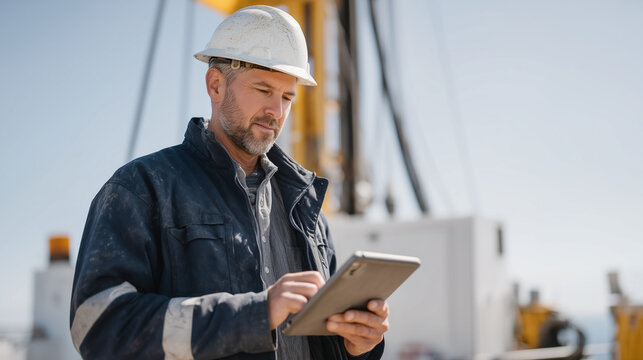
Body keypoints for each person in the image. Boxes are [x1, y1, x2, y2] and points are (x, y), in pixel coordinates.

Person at [70, 5, 388, 360]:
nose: (277, 112)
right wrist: (255, 314)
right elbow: (97, 327)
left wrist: (359, 345)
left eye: (287, 97)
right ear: (216, 85)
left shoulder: (304, 206)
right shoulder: (142, 188)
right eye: (263, 89)